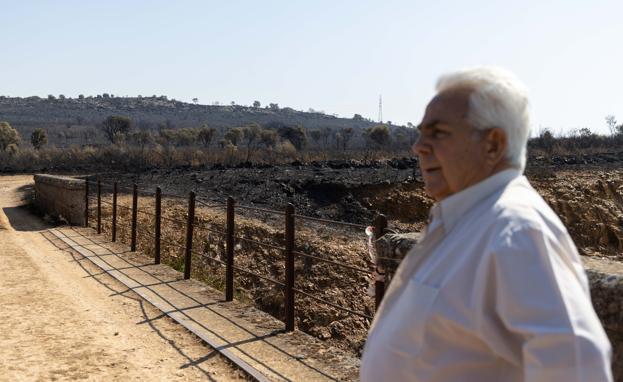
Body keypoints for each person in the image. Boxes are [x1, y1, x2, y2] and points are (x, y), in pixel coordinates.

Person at [360, 67, 612, 381]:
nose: (418, 146)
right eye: (421, 132)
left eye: (438, 132)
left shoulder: (515, 232)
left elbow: (576, 369)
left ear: (493, 144)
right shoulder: (468, 222)